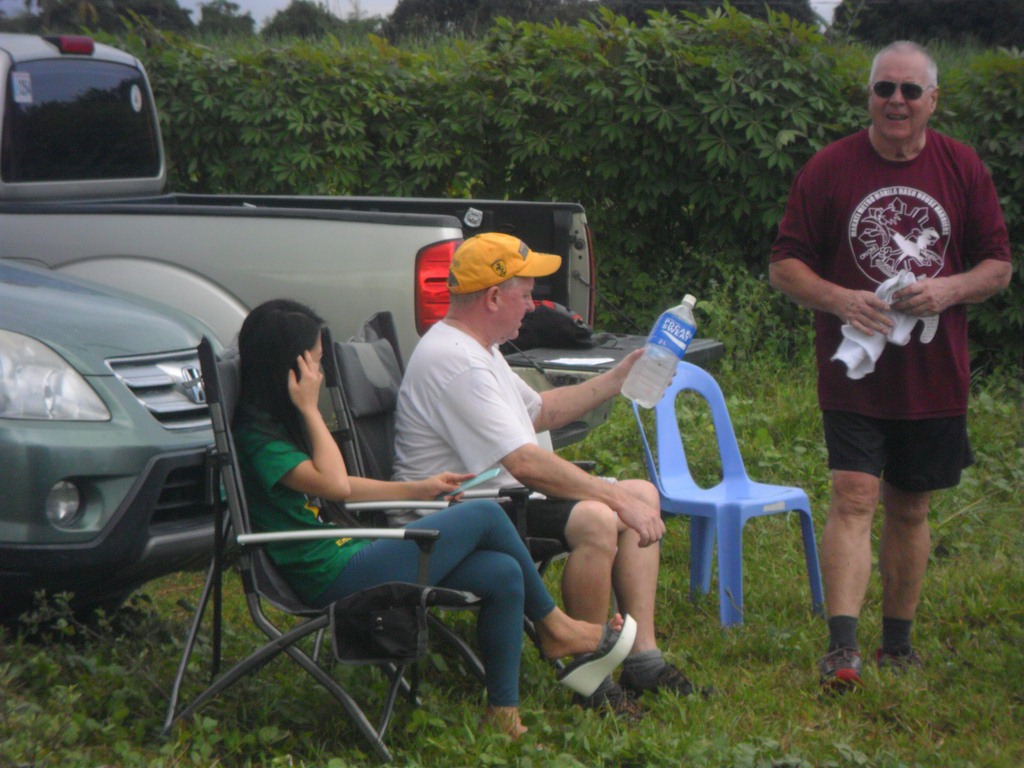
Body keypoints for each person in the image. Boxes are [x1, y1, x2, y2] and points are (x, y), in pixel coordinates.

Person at [232, 299, 636, 739]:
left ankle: (503, 714)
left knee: (502, 573)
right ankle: (554, 626)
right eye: (315, 363)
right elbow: (334, 485)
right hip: (329, 576)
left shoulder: (276, 426)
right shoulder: (259, 439)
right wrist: (311, 409)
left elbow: (341, 484)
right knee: (484, 513)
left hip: (350, 553)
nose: (321, 374)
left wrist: (417, 489)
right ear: (289, 370)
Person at [769, 41, 1012, 690]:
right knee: (853, 496)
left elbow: (997, 266)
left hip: (934, 375)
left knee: (910, 507)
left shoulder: (962, 167)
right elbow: (785, 265)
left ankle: (898, 645)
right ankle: (842, 648)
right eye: (884, 89)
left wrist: (949, 289)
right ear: (869, 96)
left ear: (933, 100)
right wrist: (840, 299)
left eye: (909, 90)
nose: (896, 101)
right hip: (853, 372)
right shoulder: (830, 167)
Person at [392, 232, 705, 719]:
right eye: (525, 294)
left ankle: (642, 659)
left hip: (497, 500)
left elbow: (540, 412)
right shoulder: (457, 362)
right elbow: (525, 463)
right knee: (598, 518)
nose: (532, 305)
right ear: (493, 298)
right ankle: (591, 675)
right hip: (453, 519)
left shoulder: (480, 349)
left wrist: (618, 378)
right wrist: (613, 499)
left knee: (641, 492)